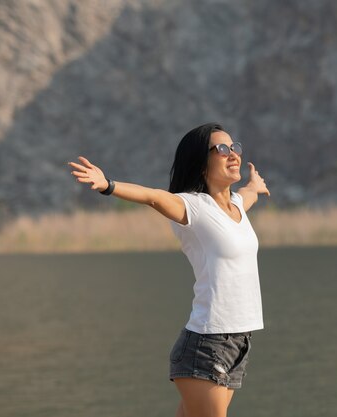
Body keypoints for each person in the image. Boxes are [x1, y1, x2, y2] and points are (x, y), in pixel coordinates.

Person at [68, 122, 270, 417]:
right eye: (222, 149)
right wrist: (108, 185)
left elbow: (248, 194)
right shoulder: (193, 207)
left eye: (234, 147)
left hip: (239, 342)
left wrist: (255, 186)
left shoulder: (237, 205)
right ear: (201, 163)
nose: (233, 154)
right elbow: (154, 197)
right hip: (208, 344)